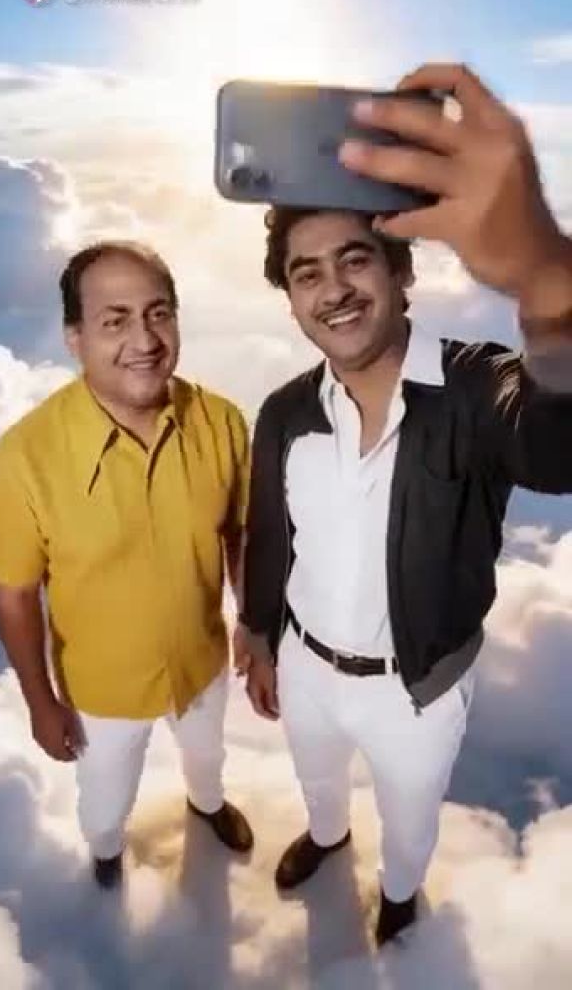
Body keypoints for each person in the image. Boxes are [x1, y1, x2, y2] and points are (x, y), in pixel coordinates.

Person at [237, 63, 572, 945]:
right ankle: (326, 837)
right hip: (305, 667)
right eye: (307, 274)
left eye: (355, 260)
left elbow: (556, 450)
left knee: (410, 818)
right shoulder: (284, 411)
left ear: (400, 271)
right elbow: (271, 534)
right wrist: (259, 631)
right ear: (292, 301)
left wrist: (546, 279)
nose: (333, 289)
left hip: (417, 690)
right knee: (318, 784)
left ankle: (397, 893)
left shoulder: (475, 388)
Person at [0, 240, 254, 889]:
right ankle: (105, 853)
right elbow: (14, 596)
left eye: (159, 314)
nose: (144, 340)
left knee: (207, 759)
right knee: (104, 805)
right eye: (115, 320)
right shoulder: (26, 455)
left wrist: (251, 622)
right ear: (74, 338)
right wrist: (41, 703)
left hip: (202, 662)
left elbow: (238, 532)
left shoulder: (221, 420)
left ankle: (207, 806)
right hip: (101, 695)